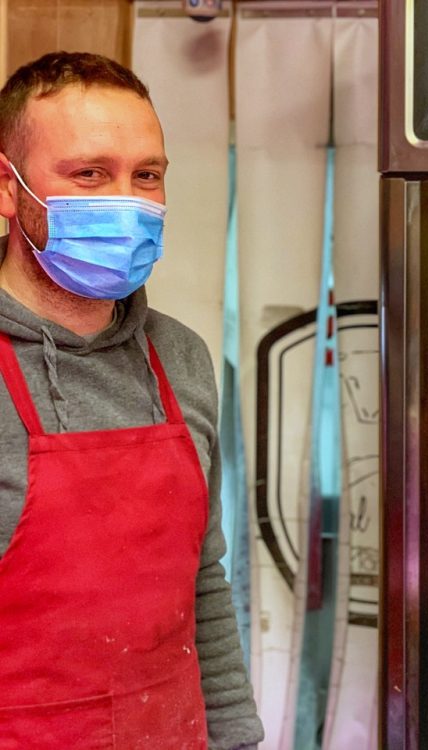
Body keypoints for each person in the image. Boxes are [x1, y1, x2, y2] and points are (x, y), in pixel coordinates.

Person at [0, 52, 264, 749]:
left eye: (146, 175)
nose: (127, 201)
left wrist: (236, 737)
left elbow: (202, 583)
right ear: (6, 187)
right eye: (90, 174)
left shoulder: (182, 357)